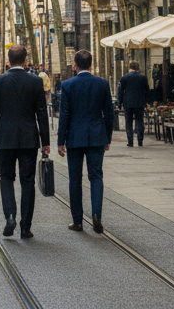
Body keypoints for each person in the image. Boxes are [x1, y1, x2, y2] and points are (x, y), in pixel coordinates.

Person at [0, 45, 49, 239]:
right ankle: (25, 227)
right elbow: (42, 113)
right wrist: (45, 141)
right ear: (26, 61)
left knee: (6, 177)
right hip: (29, 139)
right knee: (27, 181)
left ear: (8, 61)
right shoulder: (36, 81)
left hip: (5, 138)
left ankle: (10, 216)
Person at [57, 50, 114, 233]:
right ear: (91, 64)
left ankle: (77, 221)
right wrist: (107, 137)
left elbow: (64, 115)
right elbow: (109, 113)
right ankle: (96, 214)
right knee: (96, 176)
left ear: (75, 65)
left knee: (75, 179)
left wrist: (60, 141)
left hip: (74, 137)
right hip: (97, 136)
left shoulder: (67, 85)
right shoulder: (103, 84)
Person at [116, 61, 151, 147]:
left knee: (129, 122)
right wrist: (147, 102)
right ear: (138, 68)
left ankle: (130, 141)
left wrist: (119, 103)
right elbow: (147, 90)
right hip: (139, 103)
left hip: (128, 103)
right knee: (139, 121)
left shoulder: (124, 77)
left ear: (129, 67)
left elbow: (120, 92)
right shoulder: (143, 77)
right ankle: (140, 140)